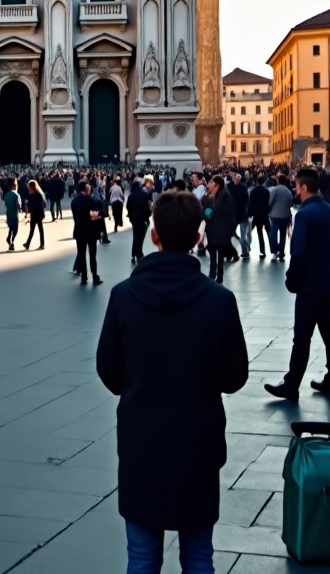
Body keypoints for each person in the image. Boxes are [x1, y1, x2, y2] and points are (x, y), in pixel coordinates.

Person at [96, 190, 249, 574]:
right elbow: (234, 378)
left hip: (141, 443)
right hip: (198, 444)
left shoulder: (123, 297)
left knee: (143, 559)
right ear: (199, 236)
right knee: (199, 558)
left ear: (153, 235)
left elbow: (108, 372)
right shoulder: (219, 300)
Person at [265, 167, 330, 402]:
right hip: (328, 286)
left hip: (310, 288)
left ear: (302, 187)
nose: (295, 189)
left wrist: (292, 280)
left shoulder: (304, 214)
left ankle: (292, 384)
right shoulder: (327, 209)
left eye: (296, 186)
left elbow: (299, 252)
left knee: (302, 338)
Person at [204, 175, 237, 285]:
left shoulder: (226, 196)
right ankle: (212, 273)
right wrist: (207, 213)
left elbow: (228, 213)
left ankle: (219, 274)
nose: (210, 184)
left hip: (222, 230)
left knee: (220, 254)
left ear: (217, 184)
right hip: (212, 230)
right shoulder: (209, 196)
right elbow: (205, 209)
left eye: (212, 182)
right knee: (213, 254)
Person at [71, 181, 103, 286]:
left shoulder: (74, 201)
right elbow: (97, 214)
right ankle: (95, 276)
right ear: (87, 189)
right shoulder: (92, 200)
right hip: (91, 231)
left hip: (79, 230)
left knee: (81, 254)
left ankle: (84, 277)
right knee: (92, 255)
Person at [126, 178, 152, 264]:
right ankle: (139, 254)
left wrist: (131, 217)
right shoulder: (145, 195)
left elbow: (128, 207)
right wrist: (148, 215)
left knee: (136, 236)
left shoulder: (131, 196)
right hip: (143, 219)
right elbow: (148, 207)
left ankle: (134, 254)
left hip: (134, 219)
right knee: (141, 237)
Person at [268, 175, 294, 261]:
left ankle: (275, 252)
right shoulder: (288, 191)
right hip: (285, 215)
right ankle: (281, 252)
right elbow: (291, 203)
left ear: (278, 180)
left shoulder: (274, 190)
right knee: (283, 235)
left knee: (273, 234)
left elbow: (270, 201)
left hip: (274, 215)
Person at [249, 175, 270, 259]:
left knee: (258, 232)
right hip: (264, 214)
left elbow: (251, 203)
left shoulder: (253, 191)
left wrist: (250, 213)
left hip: (256, 215)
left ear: (257, 181)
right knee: (269, 232)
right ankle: (274, 250)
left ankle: (261, 250)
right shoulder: (266, 191)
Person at [230, 173, 250, 258]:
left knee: (230, 234)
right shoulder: (244, 187)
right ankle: (244, 252)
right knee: (243, 235)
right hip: (242, 214)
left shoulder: (229, 187)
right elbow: (247, 199)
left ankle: (230, 252)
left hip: (234, 214)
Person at [24, 179, 46, 250]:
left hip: (34, 214)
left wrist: (28, 207)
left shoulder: (31, 195)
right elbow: (43, 204)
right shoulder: (39, 194)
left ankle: (28, 244)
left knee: (32, 230)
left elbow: (31, 206)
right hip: (40, 213)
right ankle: (42, 244)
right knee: (41, 230)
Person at [3, 176, 21, 252]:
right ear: (14, 185)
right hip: (14, 213)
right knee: (15, 229)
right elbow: (18, 204)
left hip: (8, 213)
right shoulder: (16, 194)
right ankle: (12, 242)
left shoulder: (6, 194)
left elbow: (6, 204)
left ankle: (9, 238)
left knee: (11, 227)